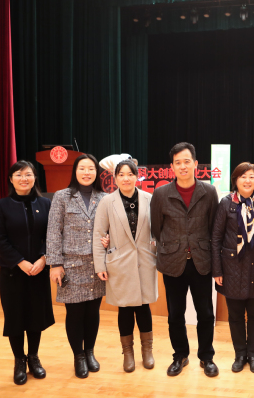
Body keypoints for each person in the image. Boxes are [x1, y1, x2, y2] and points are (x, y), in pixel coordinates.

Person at [150, 142, 220, 378]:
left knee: (206, 313)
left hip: (201, 261)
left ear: (195, 164)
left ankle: (207, 357)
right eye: (177, 162)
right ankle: (180, 355)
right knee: (175, 314)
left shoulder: (209, 192)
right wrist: (174, 245)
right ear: (171, 167)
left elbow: (213, 227)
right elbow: (157, 228)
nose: (182, 166)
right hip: (172, 261)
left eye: (186, 161)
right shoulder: (161, 193)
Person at [0, 161, 55, 385]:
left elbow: (51, 235)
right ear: (11, 179)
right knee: (15, 316)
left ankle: (34, 357)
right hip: (13, 272)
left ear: (35, 178)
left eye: (28, 174)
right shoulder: (1, 205)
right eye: (18, 175)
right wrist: (20, 262)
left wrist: (44, 258)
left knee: (36, 315)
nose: (24, 179)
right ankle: (19, 360)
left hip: (39, 269)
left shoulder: (45, 203)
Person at [211, 162, 254, 373]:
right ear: (235, 180)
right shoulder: (226, 203)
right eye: (243, 176)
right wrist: (217, 270)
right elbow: (216, 238)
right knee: (235, 316)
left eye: (251, 177)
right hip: (231, 267)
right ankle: (240, 354)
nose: (247, 181)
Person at [93, 160, 158, 373]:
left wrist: (156, 247)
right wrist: (100, 264)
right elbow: (99, 234)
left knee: (144, 306)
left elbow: (157, 229)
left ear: (137, 176)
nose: (126, 178)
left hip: (144, 261)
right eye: (121, 174)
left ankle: (147, 351)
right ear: (115, 178)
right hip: (119, 263)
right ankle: (128, 353)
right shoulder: (107, 201)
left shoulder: (149, 198)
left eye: (130, 174)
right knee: (125, 308)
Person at [47, 154, 107, 379]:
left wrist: (109, 239)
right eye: (82, 168)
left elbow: (110, 227)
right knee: (74, 314)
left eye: (91, 168)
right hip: (71, 265)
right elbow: (54, 231)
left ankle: (90, 351)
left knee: (93, 312)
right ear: (75, 171)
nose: (86, 172)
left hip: (96, 265)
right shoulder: (62, 196)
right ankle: (78, 356)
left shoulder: (104, 197)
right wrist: (55, 263)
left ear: (97, 172)